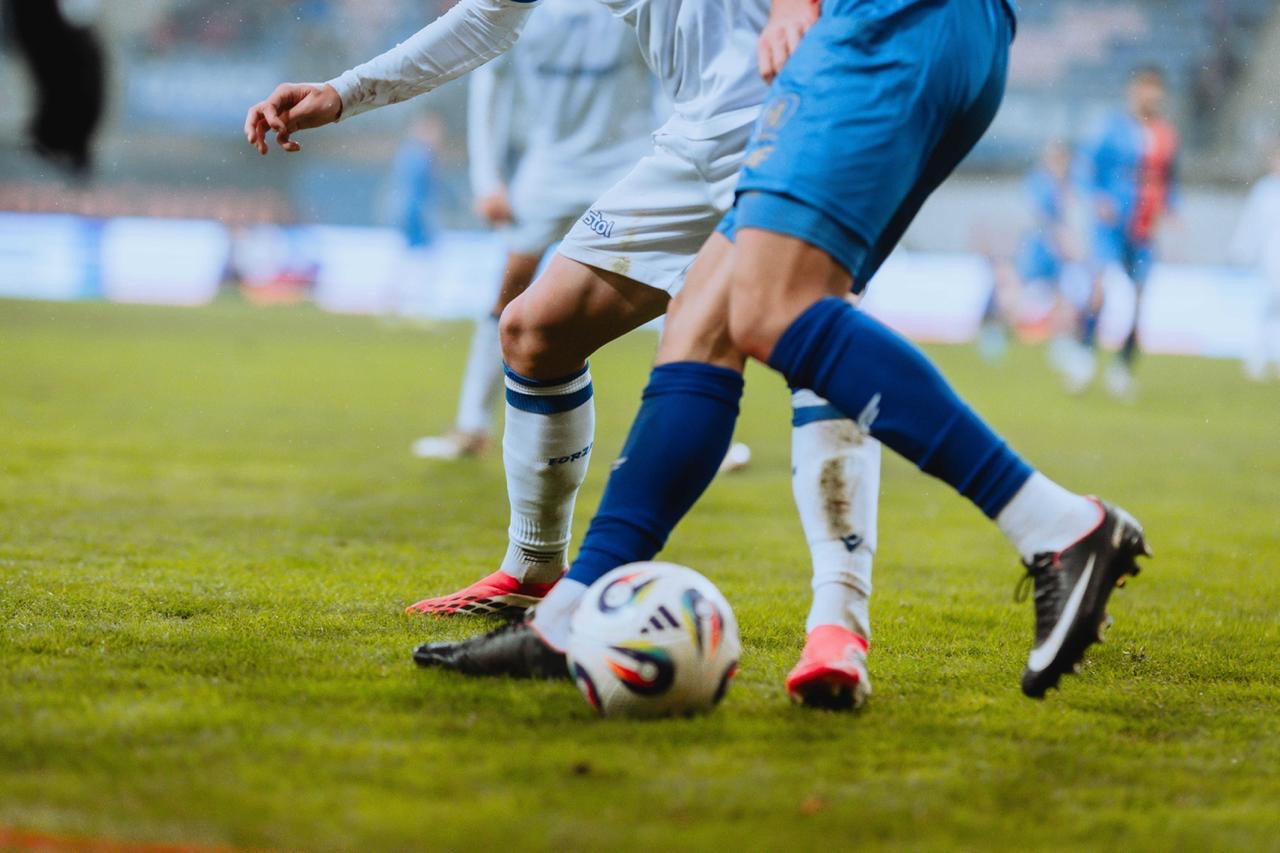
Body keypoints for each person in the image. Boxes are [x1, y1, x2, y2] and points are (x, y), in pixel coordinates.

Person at [414, 0, 1150, 703]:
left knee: (777, 309)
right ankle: (567, 617)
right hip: (924, 30)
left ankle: (1056, 526)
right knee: (703, 322)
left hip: (890, 21)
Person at [244, 0, 883, 706]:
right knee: (534, 330)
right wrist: (342, 93)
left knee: (813, 343)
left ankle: (839, 623)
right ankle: (535, 569)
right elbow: (487, 18)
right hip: (696, 136)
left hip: (802, 122)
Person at [410, 0, 656, 461]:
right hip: (549, 166)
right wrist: (488, 180)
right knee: (510, 287)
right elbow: (489, 84)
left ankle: (688, 428)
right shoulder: (522, 6)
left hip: (627, 159)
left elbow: (670, 70)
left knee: (679, 285)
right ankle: (471, 426)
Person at [1070, 66, 1180, 399]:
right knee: (1100, 286)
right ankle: (1084, 354)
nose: (1153, 95)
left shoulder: (1166, 134)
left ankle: (1123, 367)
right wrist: (1098, 198)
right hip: (1112, 224)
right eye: (1147, 87)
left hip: (1144, 227)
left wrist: (1173, 208)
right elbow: (1084, 169)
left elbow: (1169, 179)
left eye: (1157, 88)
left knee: (1140, 295)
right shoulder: (1112, 128)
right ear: (1134, 91)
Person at [1230, 142, 1280, 381]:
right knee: (1271, 302)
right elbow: (1252, 222)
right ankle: (1258, 357)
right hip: (1271, 255)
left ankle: (1263, 356)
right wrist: (1242, 249)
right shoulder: (1265, 190)